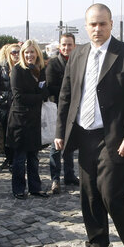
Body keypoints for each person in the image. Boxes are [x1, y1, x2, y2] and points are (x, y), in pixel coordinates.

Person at [55, 3, 124, 247]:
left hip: (115, 139)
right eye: (92, 24)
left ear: (111, 24)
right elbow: (66, 95)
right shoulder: (78, 54)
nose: (97, 29)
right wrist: (61, 131)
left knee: (113, 196)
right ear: (86, 26)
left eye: (102, 24)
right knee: (90, 196)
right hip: (84, 135)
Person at [7, 40, 49, 199]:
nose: (29, 55)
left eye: (32, 52)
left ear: (37, 53)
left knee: (34, 157)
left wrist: (39, 96)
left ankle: (35, 188)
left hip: (35, 120)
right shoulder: (18, 70)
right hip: (20, 120)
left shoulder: (41, 69)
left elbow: (46, 90)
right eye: (26, 52)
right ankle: (18, 189)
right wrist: (39, 96)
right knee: (19, 158)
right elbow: (19, 97)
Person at [46, 33, 79, 194]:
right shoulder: (53, 64)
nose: (66, 48)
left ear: (74, 46)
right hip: (57, 109)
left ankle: (70, 175)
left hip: (74, 110)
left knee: (70, 144)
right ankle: (55, 179)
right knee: (56, 145)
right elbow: (52, 88)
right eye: (64, 45)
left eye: (69, 45)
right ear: (60, 46)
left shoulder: (78, 63)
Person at [0, 44, 17, 170]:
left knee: (16, 133)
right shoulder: (0, 67)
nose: (16, 54)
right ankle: (9, 158)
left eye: (18, 52)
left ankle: (17, 158)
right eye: (13, 52)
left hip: (17, 105)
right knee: (5, 132)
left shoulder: (23, 67)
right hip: (4, 104)